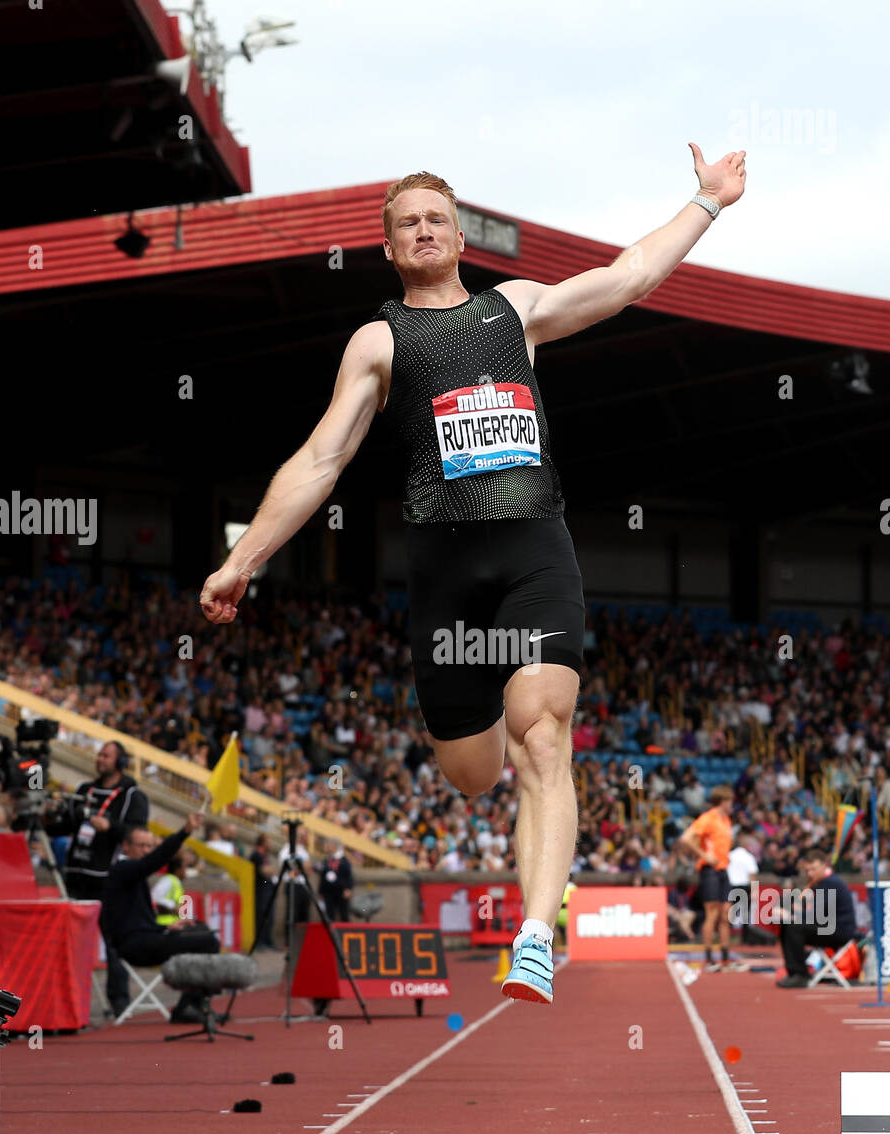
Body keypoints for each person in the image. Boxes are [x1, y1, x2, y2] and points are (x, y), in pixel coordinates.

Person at [199, 147, 747, 1005]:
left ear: (460, 238)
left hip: (532, 552)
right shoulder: (379, 341)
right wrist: (244, 560)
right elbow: (321, 458)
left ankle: (535, 936)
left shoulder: (516, 312)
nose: (423, 230)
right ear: (387, 248)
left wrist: (706, 204)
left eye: (436, 219)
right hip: (445, 574)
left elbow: (629, 276)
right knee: (471, 773)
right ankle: (487, 741)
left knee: (543, 735)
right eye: (406, 223)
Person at [44, 740, 149, 1017]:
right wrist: (46, 819)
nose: (100, 759)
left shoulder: (131, 795)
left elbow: (137, 834)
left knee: (112, 942)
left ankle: (119, 1003)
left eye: (106, 755)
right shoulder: (84, 789)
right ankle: (64, 1004)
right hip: (75, 874)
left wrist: (110, 826)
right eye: (99, 754)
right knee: (67, 942)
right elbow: (65, 825)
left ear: (120, 761)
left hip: (107, 878)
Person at [100, 812, 219, 1024]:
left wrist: (167, 926)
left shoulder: (134, 874)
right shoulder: (123, 869)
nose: (146, 851)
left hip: (147, 937)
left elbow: (139, 918)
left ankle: (194, 1001)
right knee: (208, 941)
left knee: (202, 930)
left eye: (149, 846)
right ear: (126, 847)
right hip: (135, 946)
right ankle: (190, 1004)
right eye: (141, 846)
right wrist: (184, 832)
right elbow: (154, 861)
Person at [776, 845, 858, 989]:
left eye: (813, 869)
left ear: (824, 865)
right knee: (787, 923)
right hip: (827, 927)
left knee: (794, 925)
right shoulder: (820, 883)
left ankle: (800, 974)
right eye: (807, 870)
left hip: (839, 931)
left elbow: (816, 915)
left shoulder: (831, 883)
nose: (810, 873)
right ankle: (794, 972)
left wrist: (790, 914)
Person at [677, 785, 735, 971]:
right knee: (712, 914)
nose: (732, 804)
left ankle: (725, 957)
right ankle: (709, 959)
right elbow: (686, 839)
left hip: (723, 869)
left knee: (726, 914)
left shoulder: (726, 820)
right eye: (731, 801)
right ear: (724, 801)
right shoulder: (707, 818)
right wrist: (704, 855)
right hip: (709, 870)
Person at [319, 838, 354, 923]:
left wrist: (348, 888)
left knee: (343, 914)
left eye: (329, 845)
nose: (327, 846)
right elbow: (323, 877)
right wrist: (321, 892)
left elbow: (348, 875)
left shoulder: (343, 860)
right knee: (329, 914)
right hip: (328, 891)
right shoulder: (327, 860)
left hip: (341, 890)